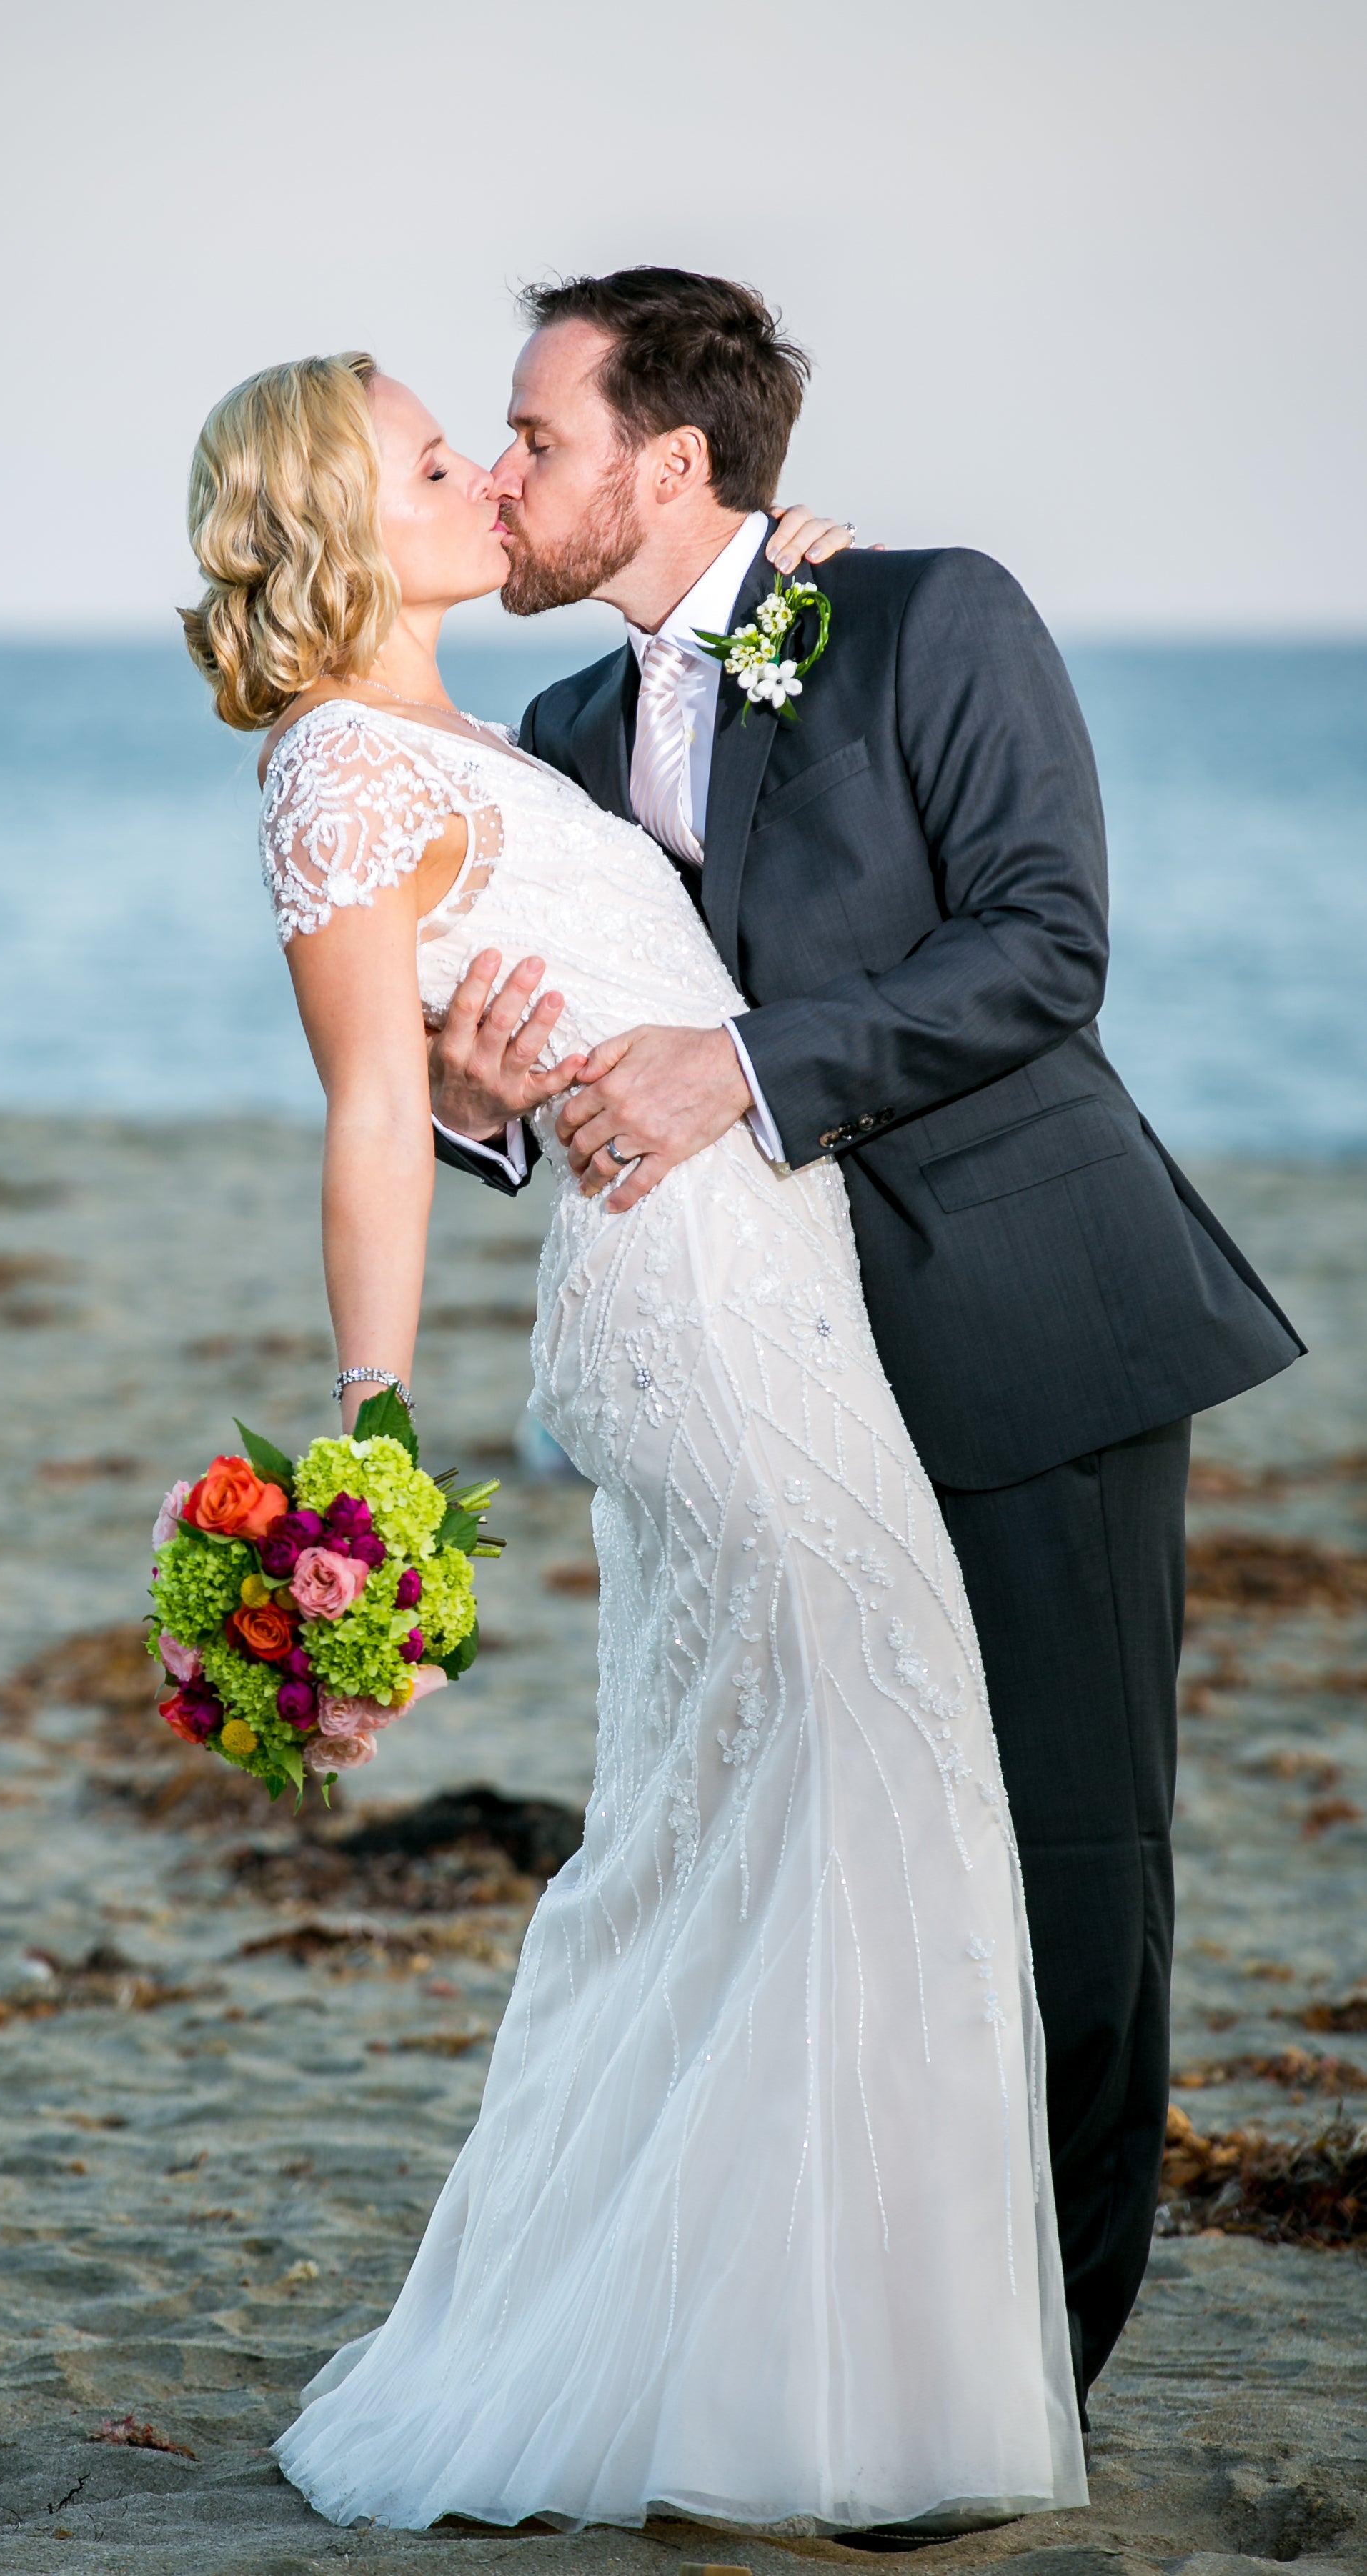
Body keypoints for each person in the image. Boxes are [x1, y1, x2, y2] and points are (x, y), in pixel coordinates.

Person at [180, 344, 1088, 2538]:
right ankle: (811, 2394)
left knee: (755, 1821)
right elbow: (383, 1111)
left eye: (499, 440)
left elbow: (563, 993)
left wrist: (813, 594)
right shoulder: (335, 770)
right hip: (695, 1315)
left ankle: (752, 2365)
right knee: (863, 1786)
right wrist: (371, 1429)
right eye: (431, 459)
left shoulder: (484, 734)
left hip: (767, 1286)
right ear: (338, 525)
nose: (484, 478)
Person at [427, 267, 1305, 2426]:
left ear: (672, 462)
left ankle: (1043, 2382)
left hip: (1024, 1321)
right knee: (823, 1869)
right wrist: (477, 1112)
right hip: (756, 1390)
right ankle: (867, 2350)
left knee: (1073, 1871)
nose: (505, 471)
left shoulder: (928, 618)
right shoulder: (549, 743)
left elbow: (1044, 947)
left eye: (535, 434)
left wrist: (742, 1061)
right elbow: (573, 1058)